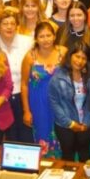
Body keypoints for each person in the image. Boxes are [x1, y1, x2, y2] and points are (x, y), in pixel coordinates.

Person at [22, 21, 66, 156]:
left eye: (48, 35)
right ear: (36, 38)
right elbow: (24, 84)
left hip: (61, 103)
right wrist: (26, 111)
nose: (46, 39)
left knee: (63, 136)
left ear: (54, 36)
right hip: (39, 104)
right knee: (42, 135)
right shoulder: (30, 56)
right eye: (41, 36)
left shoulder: (63, 52)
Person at [47, 42, 90, 161]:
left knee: (85, 154)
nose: (80, 61)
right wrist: (70, 124)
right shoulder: (57, 78)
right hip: (65, 125)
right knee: (68, 156)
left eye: (84, 58)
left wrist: (86, 123)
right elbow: (54, 103)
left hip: (86, 124)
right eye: (77, 56)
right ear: (70, 56)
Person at [0, 7, 34, 143]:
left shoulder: (28, 42)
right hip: (2, 98)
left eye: (12, 23)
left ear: (17, 26)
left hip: (24, 95)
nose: (9, 27)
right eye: (5, 23)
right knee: (10, 136)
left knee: (27, 135)